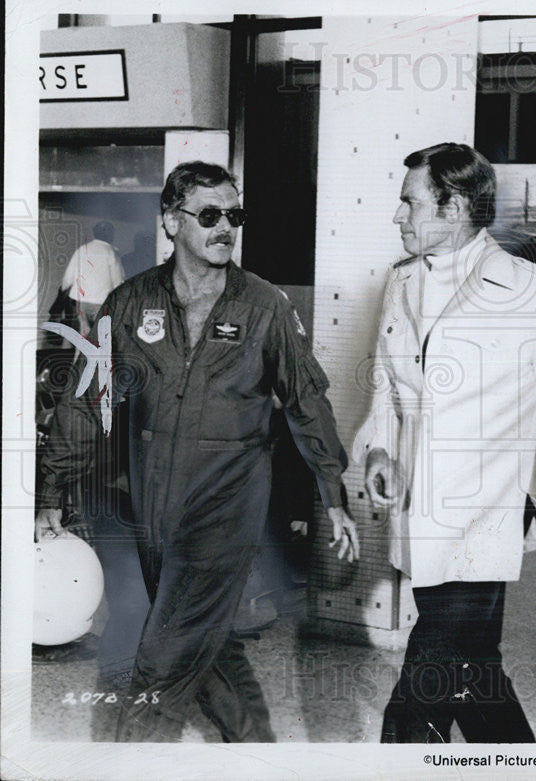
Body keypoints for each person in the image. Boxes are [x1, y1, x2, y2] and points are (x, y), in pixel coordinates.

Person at [36, 161, 359, 743]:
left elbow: (307, 401)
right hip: (155, 507)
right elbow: (87, 402)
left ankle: (131, 762)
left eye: (234, 215)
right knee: (204, 650)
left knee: (161, 661)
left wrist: (333, 493)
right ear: (170, 221)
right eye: (209, 215)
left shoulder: (265, 307)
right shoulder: (129, 304)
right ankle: (258, 753)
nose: (225, 228)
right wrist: (50, 488)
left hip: (226, 509)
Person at [355, 143, 536, 743]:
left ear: (456, 206)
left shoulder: (532, 290)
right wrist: (380, 448)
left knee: (425, 682)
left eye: (410, 203)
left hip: (484, 517)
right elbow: (390, 385)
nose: (398, 216)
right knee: (474, 669)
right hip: (420, 512)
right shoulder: (401, 282)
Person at [60, 220, 126, 338]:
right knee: (101, 337)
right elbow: (118, 280)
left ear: (94, 233)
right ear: (111, 234)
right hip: (102, 301)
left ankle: (80, 356)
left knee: (83, 334)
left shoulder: (81, 250)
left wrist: (64, 291)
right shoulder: (111, 252)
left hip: (81, 302)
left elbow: (67, 279)